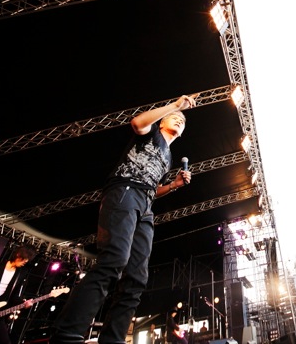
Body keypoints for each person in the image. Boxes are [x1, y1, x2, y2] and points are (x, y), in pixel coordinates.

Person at [50, 94, 198, 344]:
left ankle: (114, 338)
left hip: (145, 205)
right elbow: (137, 123)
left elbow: (153, 189)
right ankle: (67, 334)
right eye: (174, 118)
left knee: (137, 278)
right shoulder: (152, 133)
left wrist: (173, 185)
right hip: (125, 191)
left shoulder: (169, 157)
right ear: (162, 121)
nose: (179, 120)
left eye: (182, 121)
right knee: (114, 259)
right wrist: (174, 106)